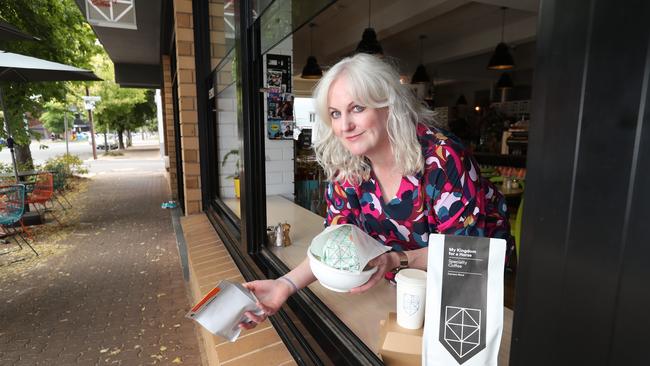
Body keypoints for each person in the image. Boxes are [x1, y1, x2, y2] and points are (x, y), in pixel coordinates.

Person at [240, 53, 511, 329]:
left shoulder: (441, 158)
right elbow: (337, 242)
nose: (345, 126)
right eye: (335, 113)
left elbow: (466, 252)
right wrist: (283, 286)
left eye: (357, 108)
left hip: (466, 282)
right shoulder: (347, 163)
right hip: (402, 284)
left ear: (389, 107)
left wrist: (396, 259)